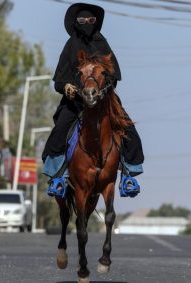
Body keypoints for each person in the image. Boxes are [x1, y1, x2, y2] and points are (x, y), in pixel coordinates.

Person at [42, 2, 144, 198]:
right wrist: (67, 87)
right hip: (75, 102)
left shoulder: (103, 44)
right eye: (82, 20)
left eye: (91, 20)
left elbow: (114, 78)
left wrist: (103, 90)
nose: (86, 23)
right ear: (75, 22)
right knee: (60, 128)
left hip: (104, 101)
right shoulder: (71, 45)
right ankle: (58, 177)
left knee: (128, 128)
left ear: (96, 22)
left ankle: (129, 175)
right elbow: (59, 81)